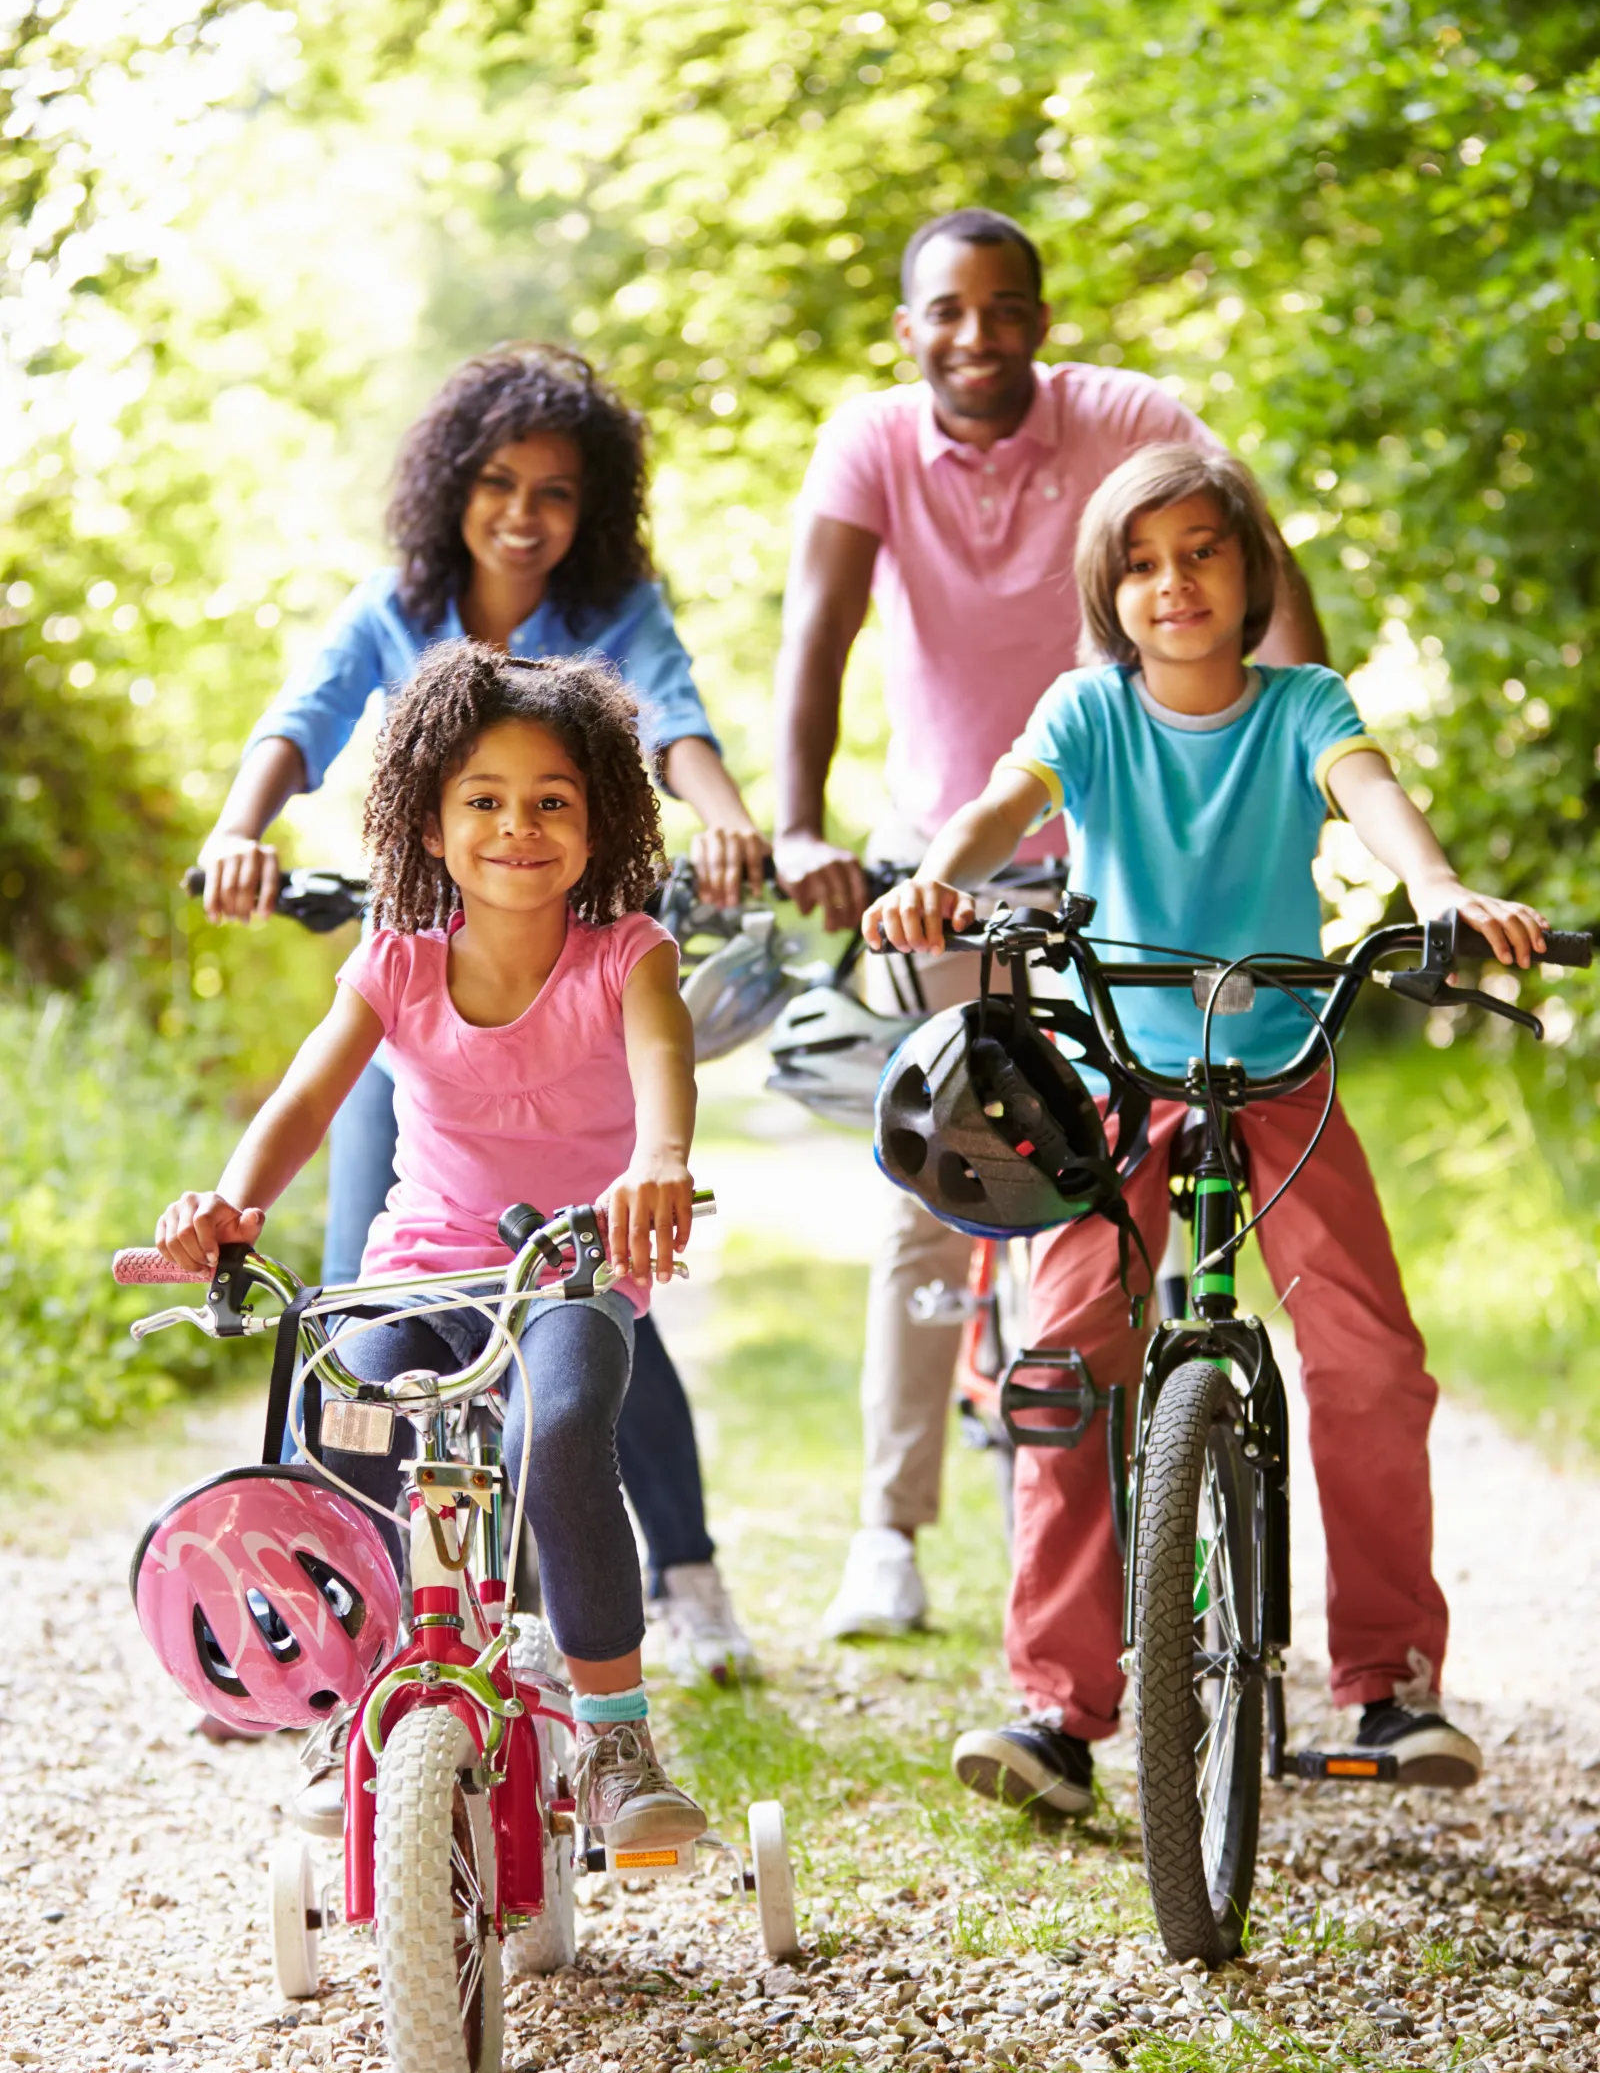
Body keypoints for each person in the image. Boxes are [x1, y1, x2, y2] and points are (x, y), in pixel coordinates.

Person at [863, 439, 1548, 1805]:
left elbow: (1373, 799)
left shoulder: (1302, 704)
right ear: (1105, 591)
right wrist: (934, 880)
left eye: (1203, 553)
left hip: (1278, 1059)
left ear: (1252, 574)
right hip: (1118, 1068)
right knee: (1062, 1361)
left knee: (1368, 1357)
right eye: (1141, 562)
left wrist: (1437, 892)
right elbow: (1002, 805)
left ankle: (1386, 1687)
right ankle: (1057, 1710)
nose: (1173, 582)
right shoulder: (1088, 712)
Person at [773, 206, 1327, 1638]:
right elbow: (817, 632)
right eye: (946, 312)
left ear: (1041, 316)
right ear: (911, 331)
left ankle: (1170, 1477)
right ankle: (891, 1533)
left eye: (1005, 307)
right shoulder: (874, 441)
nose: (976, 335)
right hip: (949, 861)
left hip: (1136, 871)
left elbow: (1265, 584)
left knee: (1151, 1171)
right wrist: (795, 824)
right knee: (938, 1185)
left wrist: (1300, 775)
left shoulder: (1131, 414)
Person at [198, 343, 757, 1683]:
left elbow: (672, 721)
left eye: (557, 492)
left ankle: (680, 1572)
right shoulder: (396, 606)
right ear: (451, 487)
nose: (523, 513)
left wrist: (726, 814)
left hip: (566, 987)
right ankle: (332, 1608)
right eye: (498, 483)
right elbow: (306, 717)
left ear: (593, 508)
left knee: (594, 1296)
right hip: (432, 971)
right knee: (360, 1308)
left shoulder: (616, 610)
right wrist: (238, 827)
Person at [158, 643, 710, 1848]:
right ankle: (359, 1700)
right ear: (428, 822)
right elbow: (302, 1104)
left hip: (569, 1265)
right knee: (344, 1416)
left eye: (552, 800)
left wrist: (659, 1161)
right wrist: (232, 1206)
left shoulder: (630, 955)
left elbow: (666, 1069)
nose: (519, 827)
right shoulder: (397, 963)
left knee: (559, 1432)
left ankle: (614, 1734)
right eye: (484, 801)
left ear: (601, 818)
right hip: (423, 1261)